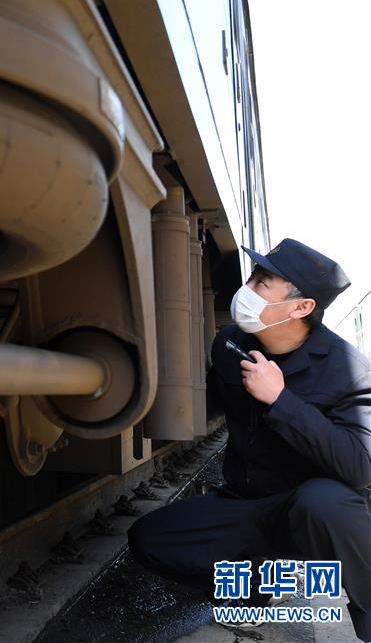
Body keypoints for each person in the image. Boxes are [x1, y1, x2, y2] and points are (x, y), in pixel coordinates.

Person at [127, 239, 371, 641]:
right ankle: (253, 586)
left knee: (329, 502)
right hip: (242, 503)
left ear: (301, 307)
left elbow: (359, 467)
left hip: (303, 516)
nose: (247, 289)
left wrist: (280, 400)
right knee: (149, 539)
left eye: (262, 283)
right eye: (252, 277)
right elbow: (207, 406)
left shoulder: (349, 371)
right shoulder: (230, 343)